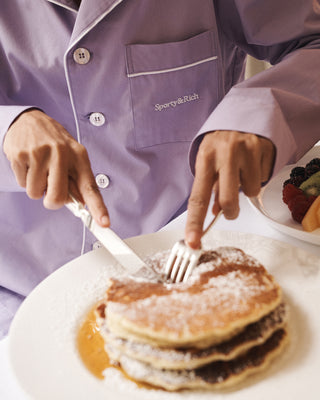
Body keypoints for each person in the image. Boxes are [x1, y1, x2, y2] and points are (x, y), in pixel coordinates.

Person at [1, 0, 320, 338]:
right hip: (17, 292)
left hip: (198, 271)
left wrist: (258, 113)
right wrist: (7, 125)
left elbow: (312, 45)